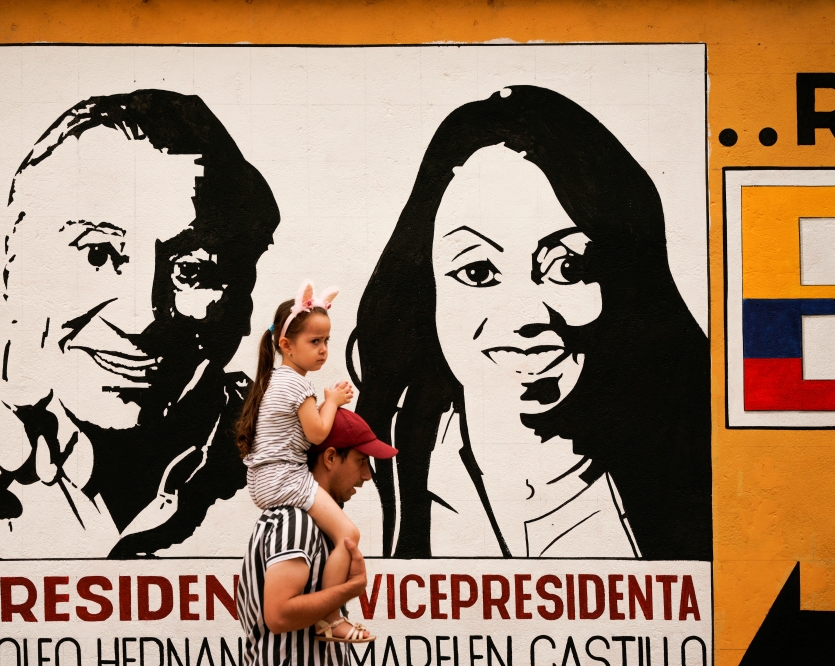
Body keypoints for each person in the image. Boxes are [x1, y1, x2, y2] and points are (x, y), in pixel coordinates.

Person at [350, 86, 711, 561]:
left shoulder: (690, 476)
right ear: (426, 290)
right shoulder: (376, 486)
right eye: (477, 272)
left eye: (569, 268)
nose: (527, 316)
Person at [0, 89, 281, 559]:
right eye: (98, 253)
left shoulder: (308, 471)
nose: (140, 319)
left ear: (243, 299)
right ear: (14, 270)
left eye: (192, 270)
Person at [234, 281, 373, 642]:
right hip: (286, 479)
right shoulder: (296, 385)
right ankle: (331, 618)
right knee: (348, 533)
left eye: (327, 341)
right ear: (285, 345)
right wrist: (332, 400)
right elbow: (316, 433)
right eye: (315, 342)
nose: (324, 350)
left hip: (270, 479)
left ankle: (330, 616)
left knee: (338, 533)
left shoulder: (273, 381)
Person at [237, 408, 398, 665]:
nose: (367, 475)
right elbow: (278, 616)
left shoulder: (317, 524)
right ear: (331, 457)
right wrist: (351, 588)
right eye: (362, 461)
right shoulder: (295, 522)